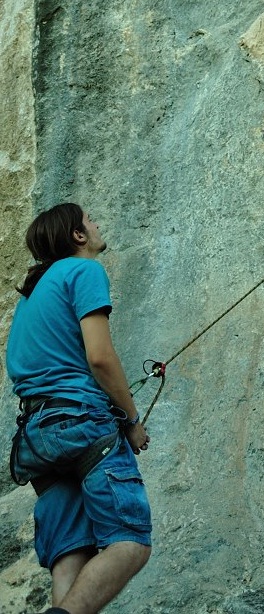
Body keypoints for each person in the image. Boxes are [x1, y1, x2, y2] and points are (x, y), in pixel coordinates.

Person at [5, 203, 152, 614]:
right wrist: (132, 420)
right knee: (130, 542)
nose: (97, 223)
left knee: (71, 553)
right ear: (78, 237)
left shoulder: (32, 296)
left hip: (35, 438)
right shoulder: (84, 271)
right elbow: (100, 357)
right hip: (79, 422)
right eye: (90, 220)